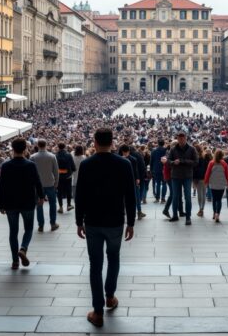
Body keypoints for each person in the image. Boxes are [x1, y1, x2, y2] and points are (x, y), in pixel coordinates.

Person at [75, 127, 136, 328]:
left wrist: (78, 221)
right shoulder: (124, 164)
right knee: (114, 258)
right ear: (113, 142)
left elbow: (80, 195)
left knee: (95, 265)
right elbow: (130, 196)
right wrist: (131, 222)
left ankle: (98, 312)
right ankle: (110, 296)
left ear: (94, 142)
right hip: (115, 221)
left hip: (92, 221)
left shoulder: (86, 164)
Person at [0, 137, 44, 270]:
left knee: (13, 231)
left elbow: (2, 186)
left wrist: (1, 204)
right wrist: (41, 196)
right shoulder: (30, 165)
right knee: (28, 228)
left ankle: (15, 262)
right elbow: (37, 182)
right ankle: (23, 248)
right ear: (25, 149)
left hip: (11, 203)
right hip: (28, 201)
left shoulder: (6, 165)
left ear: (12, 149)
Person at [167, 132, 198, 225]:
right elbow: (168, 161)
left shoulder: (192, 149)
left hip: (187, 176)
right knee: (175, 197)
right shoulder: (173, 149)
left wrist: (183, 161)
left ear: (186, 138)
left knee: (188, 197)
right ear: (177, 138)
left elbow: (196, 162)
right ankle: (175, 215)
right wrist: (173, 162)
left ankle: (188, 217)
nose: (181, 140)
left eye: (182, 138)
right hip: (176, 176)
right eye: (179, 139)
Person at [31, 139, 59, 232]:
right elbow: (56, 171)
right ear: (46, 145)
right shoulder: (52, 156)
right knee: (53, 204)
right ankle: (53, 223)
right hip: (50, 183)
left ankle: (41, 225)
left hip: (38, 185)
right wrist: (56, 182)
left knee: (39, 205)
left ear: (38, 145)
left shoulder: (33, 157)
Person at [204, 149, 228, 222]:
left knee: (214, 199)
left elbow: (207, 173)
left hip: (213, 183)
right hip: (221, 184)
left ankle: (214, 213)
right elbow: (227, 175)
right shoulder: (224, 163)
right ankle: (218, 214)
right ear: (222, 155)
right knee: (219, 199)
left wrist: (206, 182)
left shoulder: (211, 163)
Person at [55, 143, 75, 214]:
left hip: (59, 175)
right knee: (68, 190)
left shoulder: (56, 155)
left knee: (59, 191)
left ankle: (60, 207)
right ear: (65, 147)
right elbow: (73, 166)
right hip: (68, 175)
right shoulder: (69, 155)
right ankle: (69, 205)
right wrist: (71, 172)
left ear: (58, 147)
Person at [193, 151, 210, 217]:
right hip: (205, 178)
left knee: (200, 194)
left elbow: (194, 170)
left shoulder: (197, 160)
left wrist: (194, 179)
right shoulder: (205, 159)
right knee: (203, 193)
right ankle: (202, 208)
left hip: (199, 178)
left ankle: (201, 208)